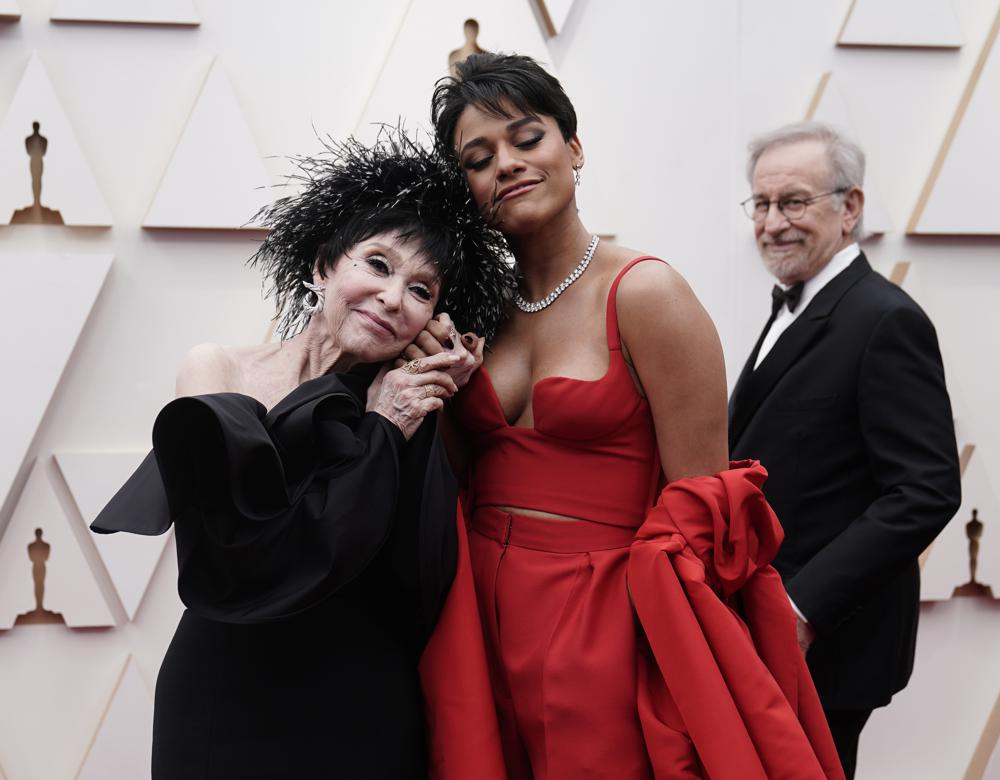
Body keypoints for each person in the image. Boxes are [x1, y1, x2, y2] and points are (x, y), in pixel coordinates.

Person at [420, 53, 843, 779]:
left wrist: (658, 656)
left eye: (528, 138)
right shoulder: (469, 310)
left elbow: (703, 510)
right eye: (479, 156)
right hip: (478, 613)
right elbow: (457, 476)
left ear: (573, 148)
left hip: (607, 627)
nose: (509, 165)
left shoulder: (646, 293)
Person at [91, 130, 514, 779]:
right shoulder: (217, 368)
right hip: (223, 695)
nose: (393, 298)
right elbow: (241, 557)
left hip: (359, 703)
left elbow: (419, 579)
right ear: (322, 264)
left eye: (423, 290)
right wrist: (379, 428)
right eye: (377, 264)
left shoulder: (413, 402)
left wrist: (426, 407)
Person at [728, 121, 961, 779]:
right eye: (762, 204)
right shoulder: (797, 308)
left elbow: (926, 488)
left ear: (850, 207)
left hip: (825, 640)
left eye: (794, 202)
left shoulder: (885, 318)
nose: (773, 223)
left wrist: (803, 608)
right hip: (764, 628)